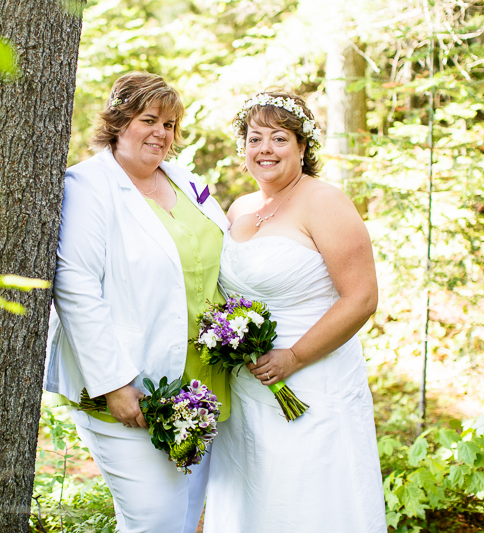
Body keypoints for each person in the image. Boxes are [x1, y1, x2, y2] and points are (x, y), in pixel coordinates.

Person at [44, 72, 230, 532]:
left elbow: (225, 256)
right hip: (131, 385)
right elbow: (76, 285)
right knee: (155, 521)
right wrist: (114, 382)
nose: (161, 133)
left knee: (186, 515)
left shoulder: (185, 180)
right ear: (118, 121)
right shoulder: (88, 186)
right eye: (149, 119)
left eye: (169, 124)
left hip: (199, 386)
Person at [204, 92, 387, 532]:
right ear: (243, 148)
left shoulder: (325, 202)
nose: (265, 149)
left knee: (308, 498)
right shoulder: (241, 208)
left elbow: (361, 298)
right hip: (248, 388)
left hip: (312, 383)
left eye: (279, 138)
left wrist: (295, 356)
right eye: (255, 138)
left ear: (303, 147)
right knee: (255, 497)